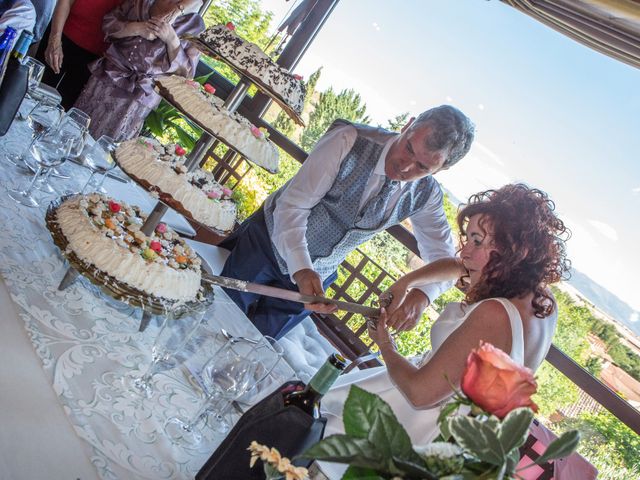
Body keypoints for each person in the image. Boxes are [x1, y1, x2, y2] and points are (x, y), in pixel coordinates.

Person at [319, 184, 571, 477]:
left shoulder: (495, 314)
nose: (465, 250)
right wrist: (408, 283)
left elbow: (419, 393)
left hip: (417, 425)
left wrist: (384, 343)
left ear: (512, 252)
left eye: (477, 241)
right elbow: (458, 266)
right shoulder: (542, 302)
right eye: (468, 238)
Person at [219, 106, 476, 339]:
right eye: (408, 147)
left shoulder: (427, 195)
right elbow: (293, 205)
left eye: (422, 166)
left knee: (253, 344)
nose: (406, 166)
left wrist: (423, 295)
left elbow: (446, 259)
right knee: (216, 313)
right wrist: (301, 267)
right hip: (265, 245)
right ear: (407, 126)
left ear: (441, 170)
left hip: (317, 280)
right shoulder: (348, 139)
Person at [73, 0, 204, 141]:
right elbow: (108, 24)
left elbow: (186, 73)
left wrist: (171, 40)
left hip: (138, 96)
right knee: (74, 130)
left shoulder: (196, 25)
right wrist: (136, 28)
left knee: (106, 146)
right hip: (107, 77)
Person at [36, 0, 124, 109]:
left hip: (94, 59)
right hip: (61, 37)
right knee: (35, 91)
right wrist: (55, 38)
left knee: (62, 108)